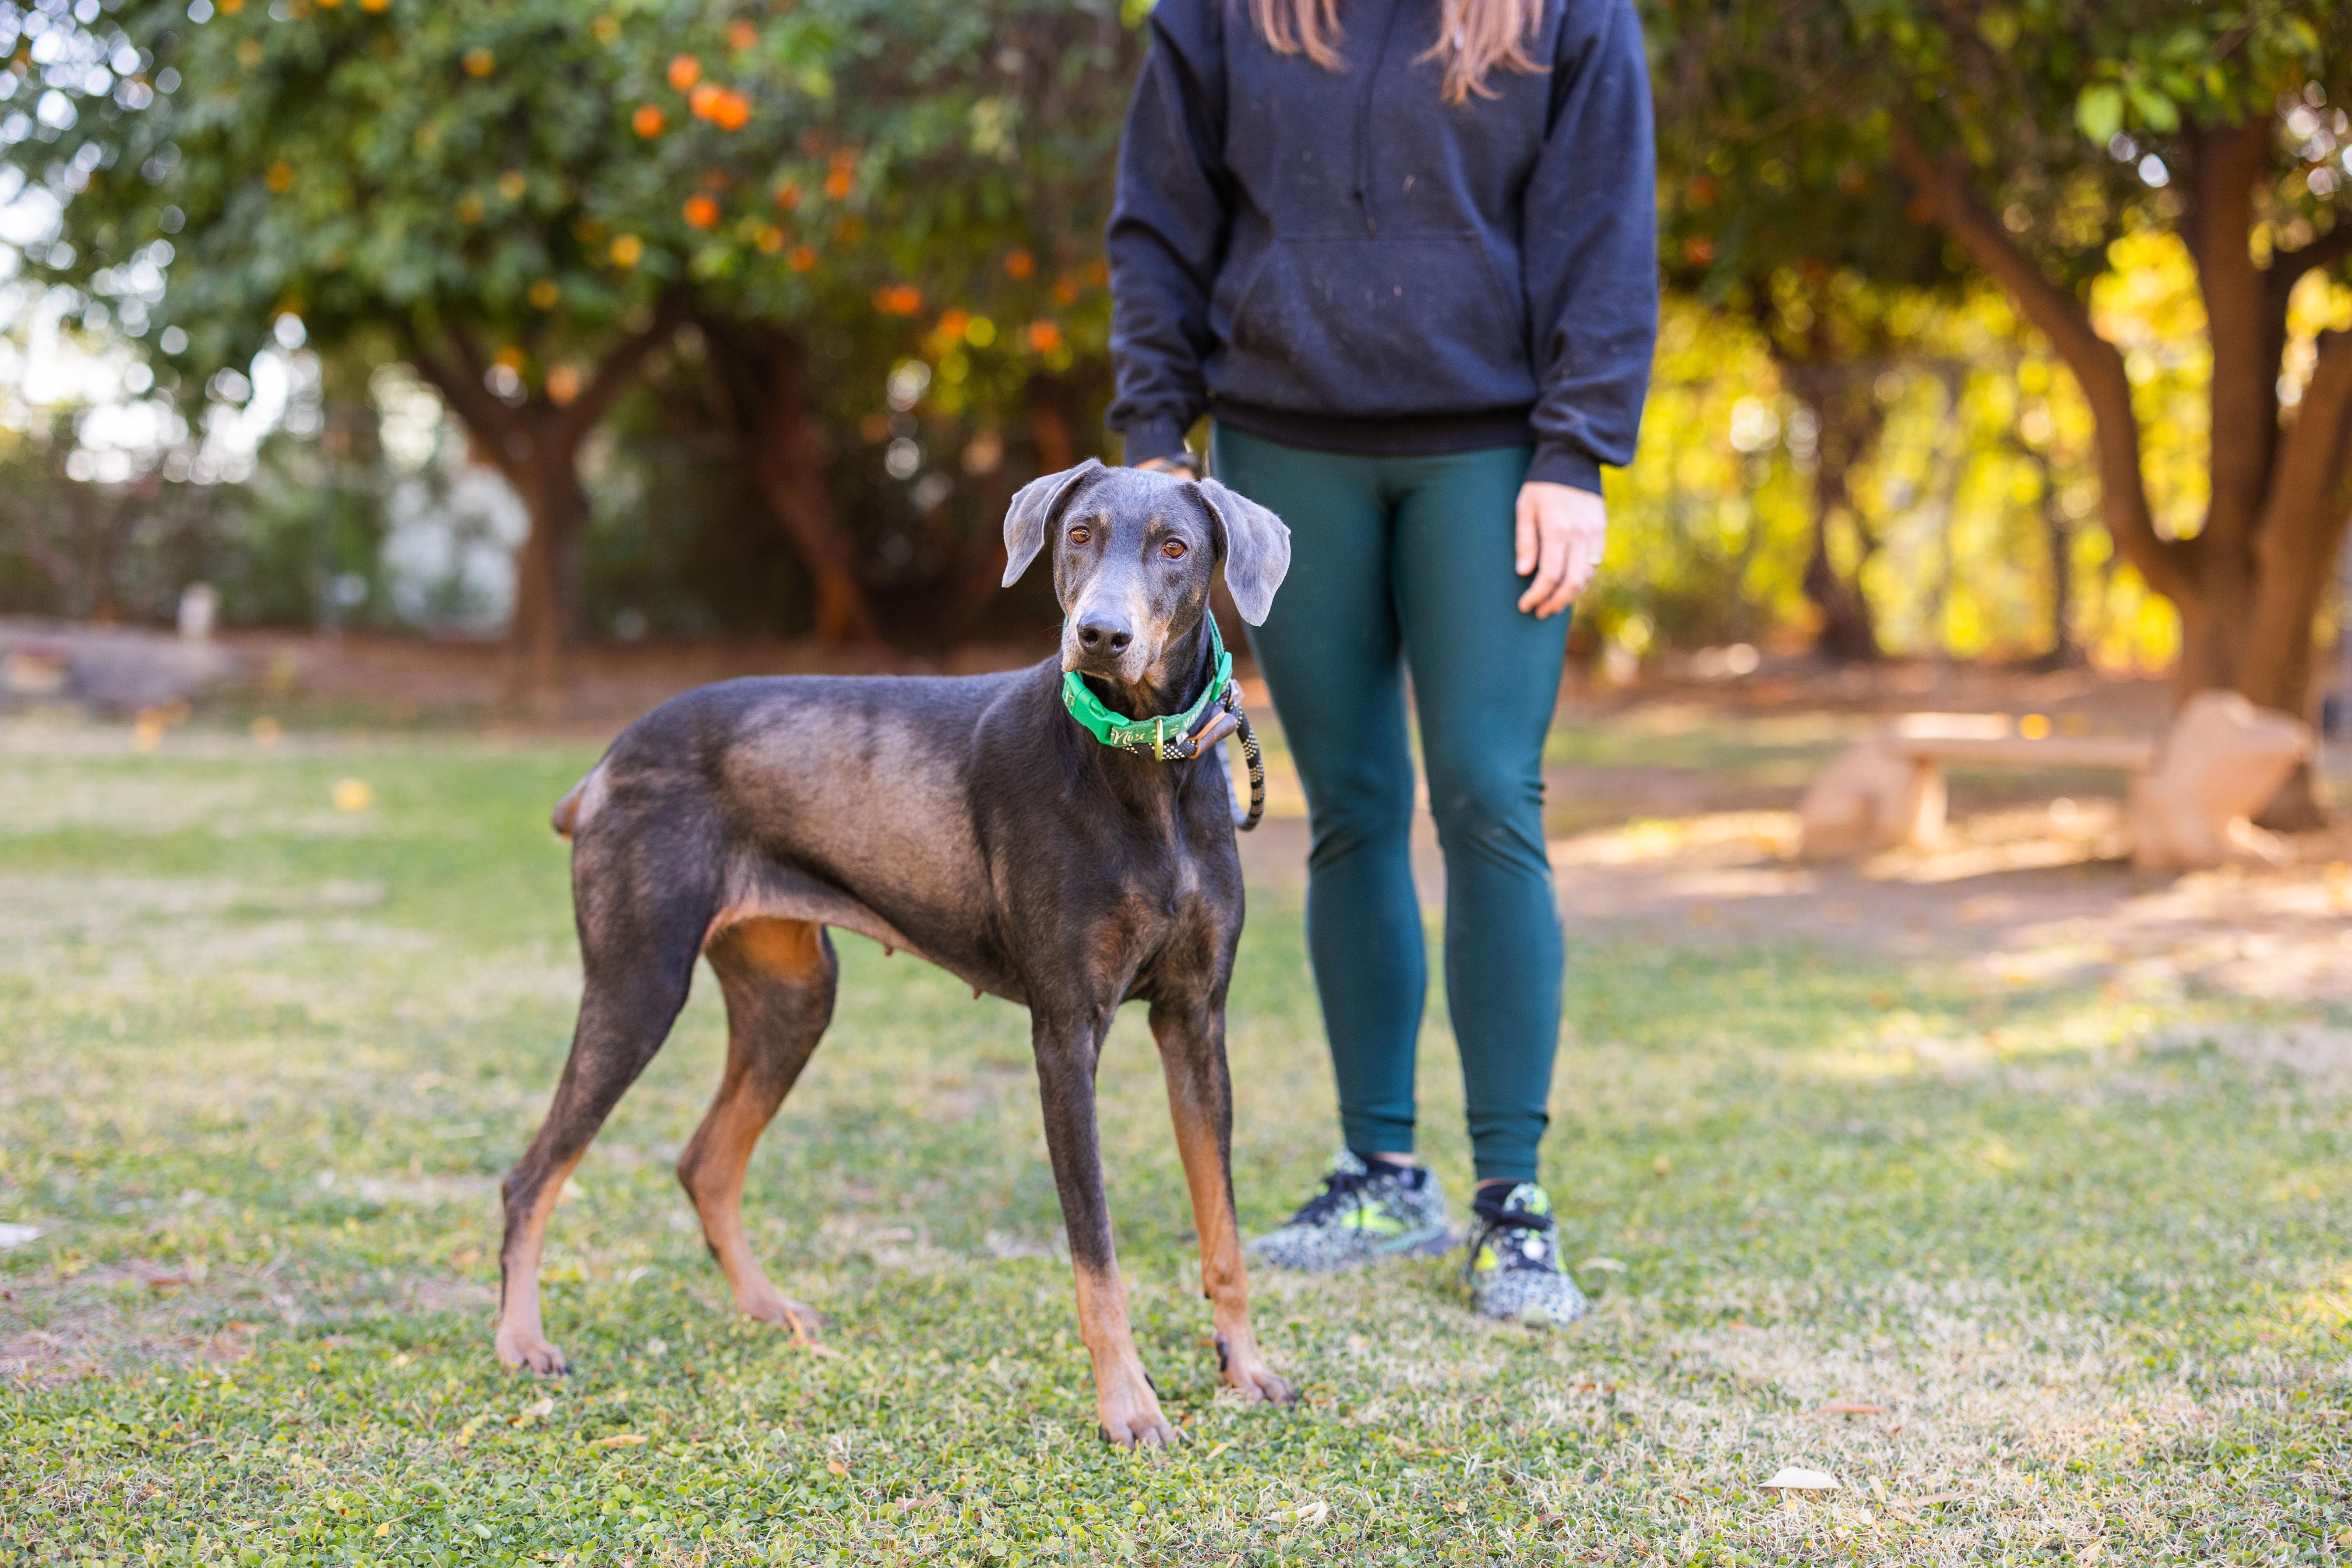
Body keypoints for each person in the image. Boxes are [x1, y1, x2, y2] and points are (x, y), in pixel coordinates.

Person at [1104, 0, 1656, 1324]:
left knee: (1488, 792)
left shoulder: (1570, 14)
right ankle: (1381, 1172)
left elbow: (1603, 229)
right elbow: (1161, 220)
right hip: (1283, 449)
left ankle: (1512, 1201)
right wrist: (1153, 429)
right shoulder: (1223, 15)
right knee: (1350, 805)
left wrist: (1577, 449)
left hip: (1493, 453)